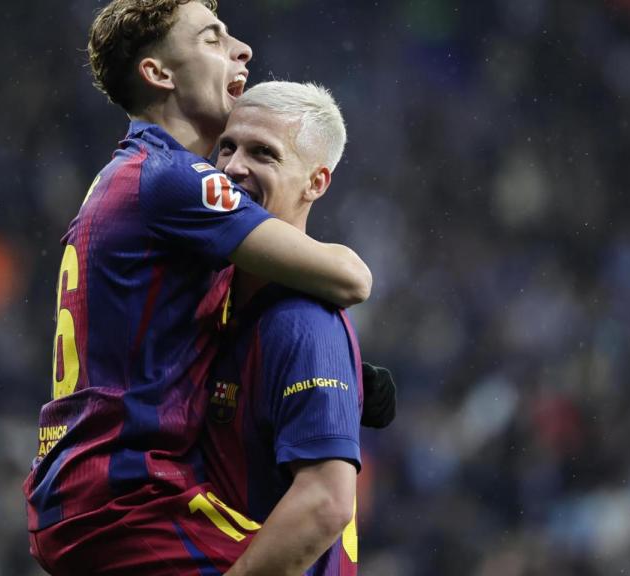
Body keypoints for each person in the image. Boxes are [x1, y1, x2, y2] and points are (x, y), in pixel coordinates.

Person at [23, 1, 374, 574]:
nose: (242, 50)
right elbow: (351, 278)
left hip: (86, 494)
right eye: (213, 38)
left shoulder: (128, 177)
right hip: (128, 500)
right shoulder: (173, 178)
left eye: (261, 153)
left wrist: (347, 378)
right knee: (305, 558)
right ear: (160, 74)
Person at [201, 81, 370, 576]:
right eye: (227, 146)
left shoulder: (302, 323)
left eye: (263, 154)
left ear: (316, 183)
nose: (233, 166)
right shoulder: (223, 297)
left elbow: (326, 502)